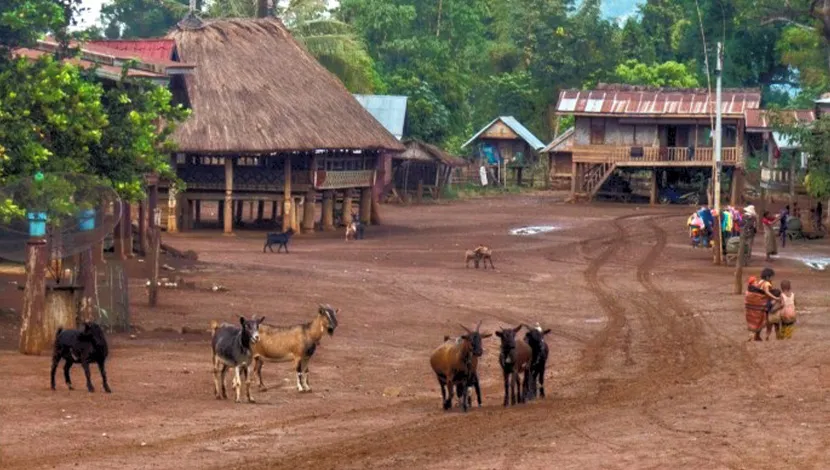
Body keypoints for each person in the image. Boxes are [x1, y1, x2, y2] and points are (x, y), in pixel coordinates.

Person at [744, 268, 779, 342]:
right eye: (772, 277)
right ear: (768, 277)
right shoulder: (767, 283)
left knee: (758, 320)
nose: (773, 278)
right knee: (763, 319)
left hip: (755, 303)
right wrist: (775, 298)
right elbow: (766, 292)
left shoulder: (760, 281)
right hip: (762, 303)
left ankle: (756, 336)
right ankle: (756, 335)